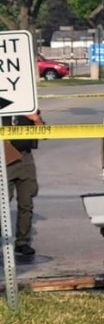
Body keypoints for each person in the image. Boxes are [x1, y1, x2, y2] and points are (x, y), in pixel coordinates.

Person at [3, 110, 43, 257]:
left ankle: (22, 242)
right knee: (2, 202)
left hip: (25, 158)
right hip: (4, 157)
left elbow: (44, 133)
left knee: (26, 202)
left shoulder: (28, 107)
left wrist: (36, 119)